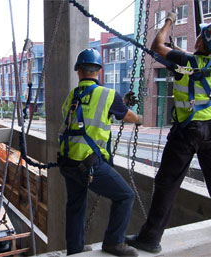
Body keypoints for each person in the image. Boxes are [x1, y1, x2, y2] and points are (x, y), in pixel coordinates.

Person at [126, 12, 211, 254]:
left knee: (167, 183)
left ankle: (150, 237)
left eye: (200, 35)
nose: (197, 36)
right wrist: (179, 52)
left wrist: (168, 21)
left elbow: (157, 46)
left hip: (187, 131)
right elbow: (193, 63)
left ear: (201, 41)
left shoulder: (184, 62)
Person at [58, 48, 142, 256]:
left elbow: (69, 116)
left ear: (79, 71)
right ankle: (113, 242)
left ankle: (75, 249)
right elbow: (126, 115)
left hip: (67, 160)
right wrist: (139, 119)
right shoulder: (108, 95)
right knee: (125, 196)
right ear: (99, 71)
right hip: (89, 164)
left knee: (76, 204)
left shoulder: (73, 95)